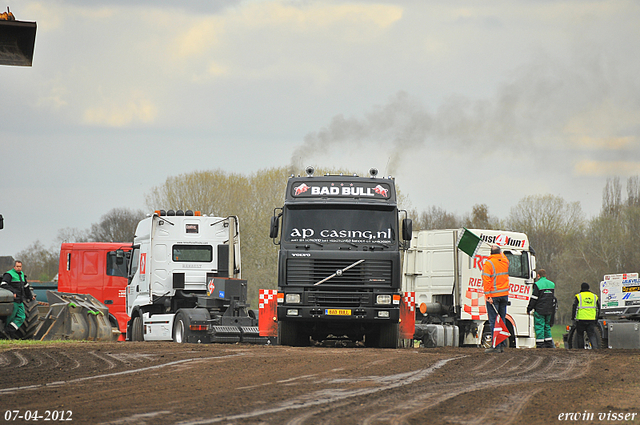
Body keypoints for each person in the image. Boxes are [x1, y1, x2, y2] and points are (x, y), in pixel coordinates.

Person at [482, 245, 510, 353]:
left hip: (493, 296)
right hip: (504, 295)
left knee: (494, 321)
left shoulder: (488, 263)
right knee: (502, 319)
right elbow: (503, 256)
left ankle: (496, 346)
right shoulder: (505, 261)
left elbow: (486, 280)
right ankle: (502, 344)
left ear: (490, 253)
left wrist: (488, 296)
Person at [1, 261, 35, 339]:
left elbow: (26, 287)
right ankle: (8, 335)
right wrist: (13, 292)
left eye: (20, 266)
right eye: (17, 266)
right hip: (13, 300)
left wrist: (30, 296)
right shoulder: (9, 274)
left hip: (20, 300)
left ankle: (7, 331)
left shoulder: (22, 275)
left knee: (22, 317)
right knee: (11, 318)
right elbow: (3, 284)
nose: (19, 268)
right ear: (14, 267)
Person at [526, 269, 556, 348]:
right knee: (547, 326)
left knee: (539, 326)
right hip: (549, 310)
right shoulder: (552, 284)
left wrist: (529, 308)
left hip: (540, 310)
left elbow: (534, 298)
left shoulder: (537, 284)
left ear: (538, 275)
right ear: (545, 275)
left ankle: (540, 345)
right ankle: (549, 344)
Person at [571, 282, 600, 349]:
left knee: (580, 335)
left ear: (581, 288)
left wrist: (573, 318)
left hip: (581, 319)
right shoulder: (594, 296)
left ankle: (581, 350)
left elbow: (574, 307)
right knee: (592, 335)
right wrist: (596, 318)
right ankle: (595, 348)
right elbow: (598, 308)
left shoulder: (578, 296)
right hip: (591, 319)